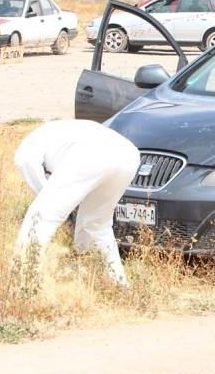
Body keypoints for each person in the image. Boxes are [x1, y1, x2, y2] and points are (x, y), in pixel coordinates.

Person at [13, 120, 140, 287]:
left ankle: (22, 283)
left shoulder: (26, 151)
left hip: (92, 154)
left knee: (41, 216)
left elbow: (43, 197)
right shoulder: (56, 135)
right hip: (128, 155)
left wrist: (58, 208)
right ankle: (117, 284)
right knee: (96, 224)